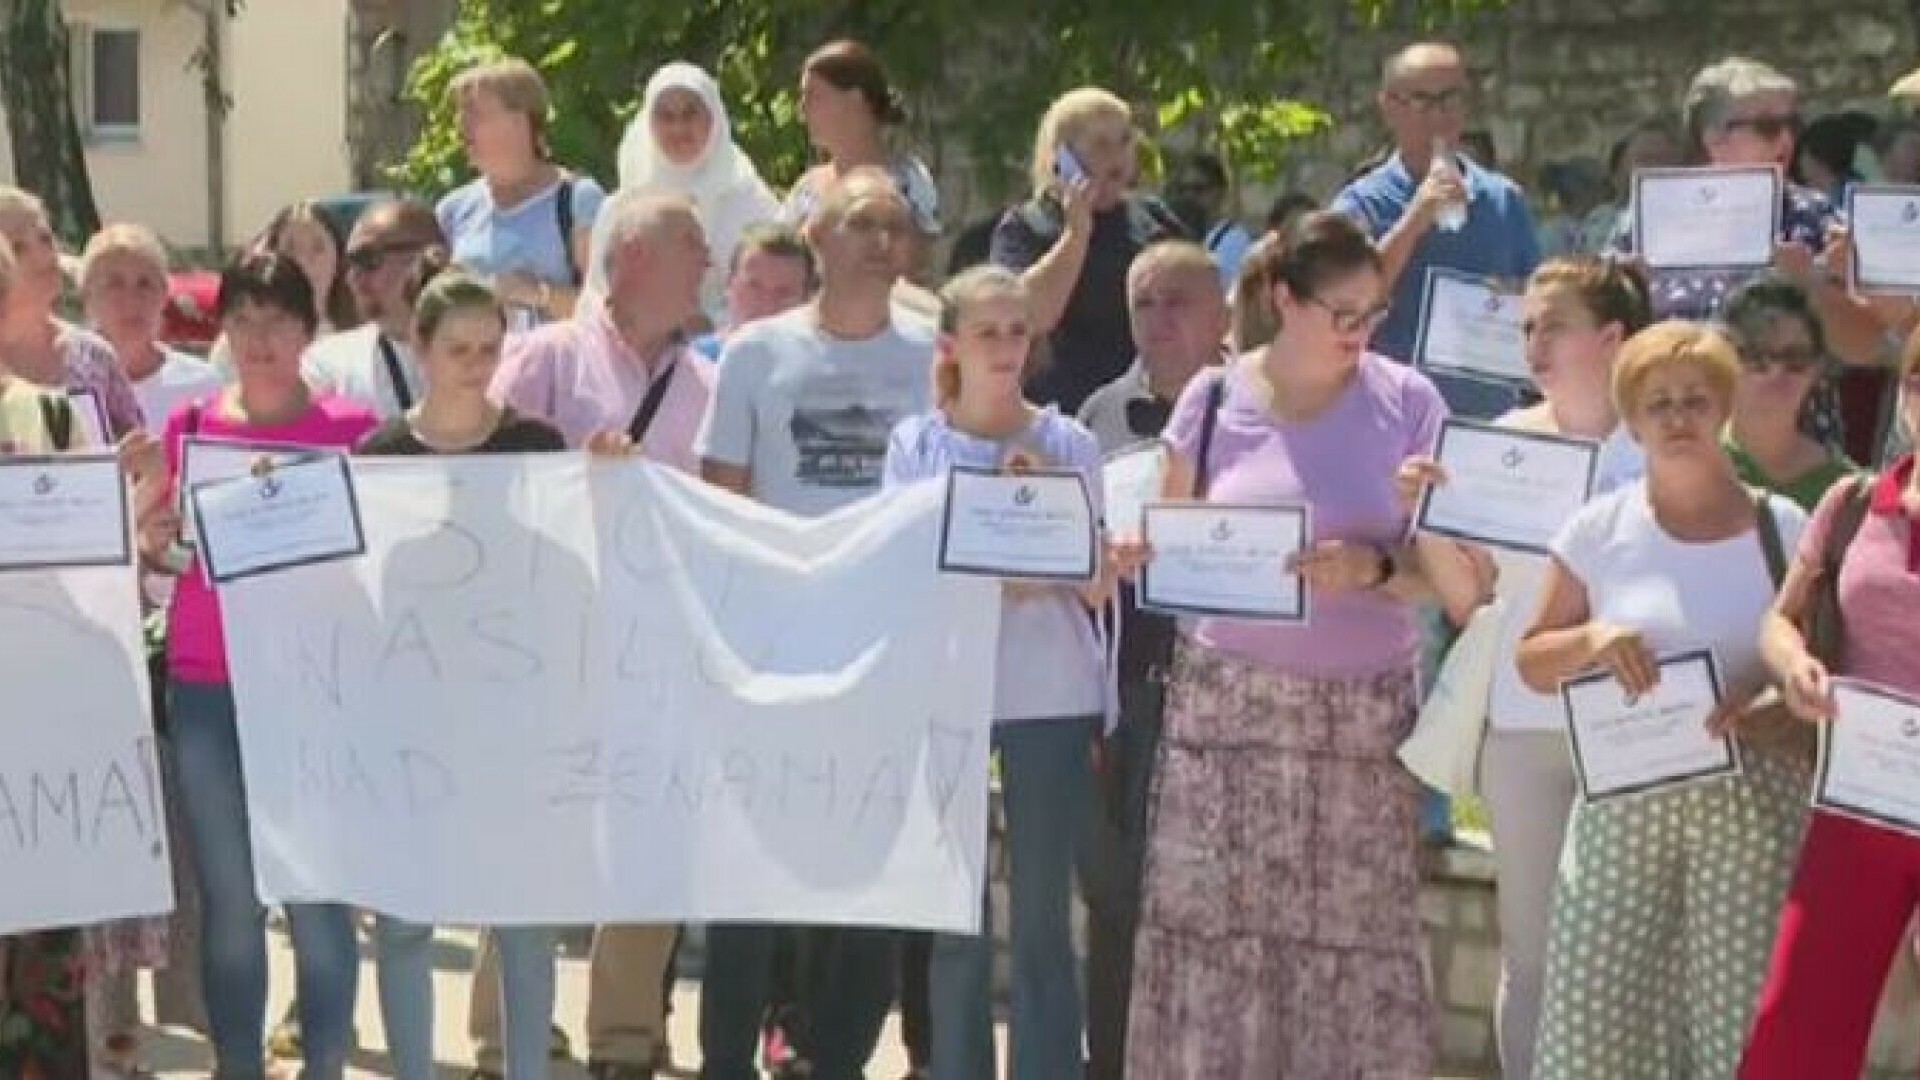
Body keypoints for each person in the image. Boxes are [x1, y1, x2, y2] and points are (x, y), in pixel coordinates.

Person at [1121, 211, 1445, 1078]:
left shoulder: (1409, 402)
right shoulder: (1213, 396)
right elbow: (1170, 531)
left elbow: (1451, 578)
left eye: (1372, 313)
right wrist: (1135, 550)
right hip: (1222, 710)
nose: (1360, 333)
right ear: (1282, 299)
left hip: (1361, 716)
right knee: (1216, 930)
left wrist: (1375, 566)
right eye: (1341, 312)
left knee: (1355, 934)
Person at [1516, 321, 1810, 1079]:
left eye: (1695, 400)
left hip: (1749, 798)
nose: (1678, 417)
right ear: (1633, 417)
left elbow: (1821, 664)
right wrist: (1589, 642)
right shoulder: (1598, 528)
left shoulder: (1781, 526)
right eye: (1658, 404)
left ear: (1724, 408)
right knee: (1589, 1027)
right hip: (1624, 799)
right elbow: (1532, 660)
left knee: (1737, 1034)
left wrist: (1774, 699)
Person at [696, 166, 936, 1080]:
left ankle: (836, 1061)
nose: (883, 239)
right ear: (818, 242)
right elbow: (723, 502)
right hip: (776, 650)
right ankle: (726, 1059)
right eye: (862, 222)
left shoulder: (933, 354)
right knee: (748, 883)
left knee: (870, 885)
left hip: (889, 653)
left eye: (896, 225)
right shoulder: (755, 354)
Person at [1403, 256, 1654, 1080]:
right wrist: (1429, 518)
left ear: (1612, 337)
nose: (1534, 344)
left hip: (1635, 728)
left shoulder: (1660, 442)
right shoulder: (1497, 446)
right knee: (1534, 951)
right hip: (1522, 727)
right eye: (1525, 329)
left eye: (1554, 325)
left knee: (1629, 953)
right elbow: (1465, 600)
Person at [138, 253, 379, 1080]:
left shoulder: (354, 431)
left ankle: (323, 1066)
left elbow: (377, 566)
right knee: (232, 904)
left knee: (317, 897)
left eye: (277, 320)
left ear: (309, 331)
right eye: (242, 319)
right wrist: (152, 537)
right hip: (207, 684)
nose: (259, 338)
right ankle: (236, 1066)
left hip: (316, 687)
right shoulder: (191, 428)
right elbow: (173, 556)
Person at [885, 265, 1111, 1080]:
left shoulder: (1070, 443)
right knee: (954, 923)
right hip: (947, 695)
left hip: (1051, 697)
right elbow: (904, 567)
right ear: (951, 344)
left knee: (1047, 922)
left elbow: (1094, 586)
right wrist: (1008, 566)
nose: (1008, 347)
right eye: (989, 332)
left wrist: (1043, 508)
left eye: (1019, 330)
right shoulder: (916, 444)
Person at [357, 267, 569, 1080]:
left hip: (515, 712)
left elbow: (570, 558)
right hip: (413, 715)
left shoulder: (536, 446)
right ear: (421, 347)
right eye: (459, 349)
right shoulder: (381, 456)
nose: (477, 365)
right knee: (406, 917)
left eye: (490, 348)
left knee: (523, 916)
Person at [1737, 331, 1920, 1078]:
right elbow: (1779, 621)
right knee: (1795, 1034)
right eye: (1919, 379)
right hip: (1860, 799)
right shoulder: (1850, 504)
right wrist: (1796, 665)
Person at [1074, 239, 1226, 1080]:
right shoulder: (1094, 417)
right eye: (1145, 304)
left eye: (1180, 302)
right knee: (1115, 902)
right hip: (1124, 689)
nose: (1159, 321)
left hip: (1229, 691)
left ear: (1224, 314)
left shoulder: (1259, 411)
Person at [0, 237, 130, 1080]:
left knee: (35, 998)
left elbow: (98, 573)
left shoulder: (54, 417)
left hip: (32, 744)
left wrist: (140, 512)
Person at [1611, 57, 1886, 446]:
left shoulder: (1818, 218)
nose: (1786, 141)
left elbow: (1868, 348)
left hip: (1792, 451)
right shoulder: (1647, 218)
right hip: (1676, 442)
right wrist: (1628, 297)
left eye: (1792, 126)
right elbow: (1604, 342)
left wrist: (1812, 289)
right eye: (1768, 128)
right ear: (1713, 137)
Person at [1331, 40, 1541, 419]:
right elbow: (1343, 305)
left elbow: (1539, 300)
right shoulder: (1360, 204)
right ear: (1389, 106)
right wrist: (1414, 220)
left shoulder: (1504, 200)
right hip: (1389, 419)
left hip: (1488, 418)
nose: (1439, 115)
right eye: (1423, 101)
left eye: (1451, 98)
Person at [991, 87, 1187, 413]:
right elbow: (1024, 316)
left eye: (1125, 140)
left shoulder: (1153, 219)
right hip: (1062, 413)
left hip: (1145, 415)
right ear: (1063, 156)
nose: (1117, 155)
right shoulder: (1027, 226)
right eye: (1100, 144)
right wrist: (1075, 236)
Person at [438, 57, 608, 330]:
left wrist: (539, 294)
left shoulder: (578, 201)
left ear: (519, 121)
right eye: (460, 114)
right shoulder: (452, 210)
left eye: (475, 113)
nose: (461, 125)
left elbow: (607, 310)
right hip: (478, 369)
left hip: (558, 368)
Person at [615, 61, 781, 328]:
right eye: (666, 116)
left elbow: (779, 290)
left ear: (713, 118)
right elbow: (600, 297)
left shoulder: (749, 200)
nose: (678, 129)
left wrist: (712, 328)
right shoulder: (625, 204)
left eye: (690, 114)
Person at [0, 187, 145, 440]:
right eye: (18, 247)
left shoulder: (94, 357)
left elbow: (141, 460)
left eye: (45, 239)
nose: (43, 255)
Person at [781, 40, 940, 251]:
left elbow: (920, 258)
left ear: (855, 99)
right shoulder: (805, 192)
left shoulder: (908, 181)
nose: (802, 112)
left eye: (814, 97)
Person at [1721, 275, 1859, 511]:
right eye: (1755, 356)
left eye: (1795, 357)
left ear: (1817, 368)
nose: (1776, 371)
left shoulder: (1851, 493)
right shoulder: (1692, 469)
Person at [303, 198, 446, 418]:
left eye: (366, 259)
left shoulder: (492, 354)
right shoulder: (328, 365)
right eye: (348, 264)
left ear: (430, 254)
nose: (352, 278)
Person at [81, 223, 224, 430]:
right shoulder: (60, 383)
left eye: (145, 284)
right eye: (114, 284)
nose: (131, 299)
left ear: (165, 295)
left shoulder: (203, 385)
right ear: (87, 296)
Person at [210, 200, 358, 380]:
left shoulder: (360, 339)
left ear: (338, 259)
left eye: (318, 248)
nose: (304, 261)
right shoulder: (236, 342)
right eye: (291, 248)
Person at [689, 223, 817, 362]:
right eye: (754, 286)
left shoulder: (815, 376)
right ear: (729, 284)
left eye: (784, 292)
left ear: (805, 301)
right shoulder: (690, 364)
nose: (767, 303)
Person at [1575, 119, 1685, 255]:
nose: (1655, 168)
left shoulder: (1694, 219)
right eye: (1645, 159)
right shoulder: (1601, 220)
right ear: (1619, 170)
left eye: (1665, 159)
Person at [1163, 151, 1253, 289]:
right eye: (1182, 190)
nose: (1189, 197)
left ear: (1221, 192)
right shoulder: (1179, 235)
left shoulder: (1233, 240)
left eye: (1198, 189)